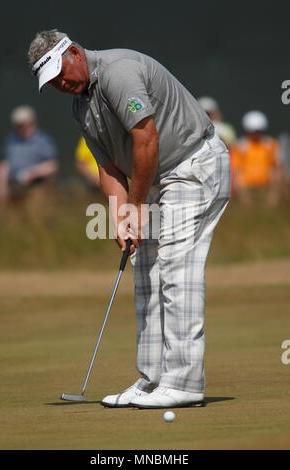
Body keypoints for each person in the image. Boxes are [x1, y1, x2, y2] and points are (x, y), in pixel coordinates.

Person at [28, 29, 230, 409]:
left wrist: (135, 207)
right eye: (51, 81)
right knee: (145, 268)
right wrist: (121, 218)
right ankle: (152, 380)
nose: (61, 83)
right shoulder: (81, 107)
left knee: (175, 266)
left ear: (73, 52)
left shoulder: (119, 72)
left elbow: (146, 139)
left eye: (60, 72)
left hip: (193, 165)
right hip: (156, 180)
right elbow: (107, 167)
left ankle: (184, 382)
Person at [0, 105, 59, 214]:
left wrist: (31, 174)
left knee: (35, 218)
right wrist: (1, 190)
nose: (20, 128)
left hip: (36, 189)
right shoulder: (11, 141)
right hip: (13, 189)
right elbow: (3, 166)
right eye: (17, 125)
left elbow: (52, 166)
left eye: (22, 124)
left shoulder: (43, 141)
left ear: (32, 122)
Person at [230, 111, 279, 206]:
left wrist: (273, 196)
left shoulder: (270, 144)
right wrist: (244, 196)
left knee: (276, 175)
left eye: (258, 131)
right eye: (253, 131)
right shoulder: (240, 146)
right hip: (246, 188)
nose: (256, 134)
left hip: (266, 186)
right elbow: (236, 171)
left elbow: (275, 168)